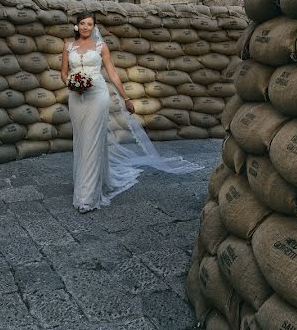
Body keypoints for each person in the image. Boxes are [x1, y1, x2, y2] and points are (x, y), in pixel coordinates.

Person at [61, 11, 200, 213]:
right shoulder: (68, 46)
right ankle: (88, 180)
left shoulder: (101, 46)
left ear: (94, 27)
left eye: (89, 24)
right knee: (81, 140)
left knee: (93, 139)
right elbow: (63, 73)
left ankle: (87, 197)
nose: (85, 27)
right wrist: (72, 84)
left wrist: (126, 98)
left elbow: (113, 74)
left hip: (97, 95)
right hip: (76, 97)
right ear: (77, 26)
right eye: (82, 23)